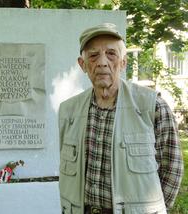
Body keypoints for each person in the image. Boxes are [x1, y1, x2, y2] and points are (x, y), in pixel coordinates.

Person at [58, 23, 183, 214]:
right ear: (82, 65)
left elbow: (172, 169)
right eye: (93, 55)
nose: (102, 62)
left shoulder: (152, 106)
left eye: (111, 54)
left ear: (123, 62)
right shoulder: (68, 111)